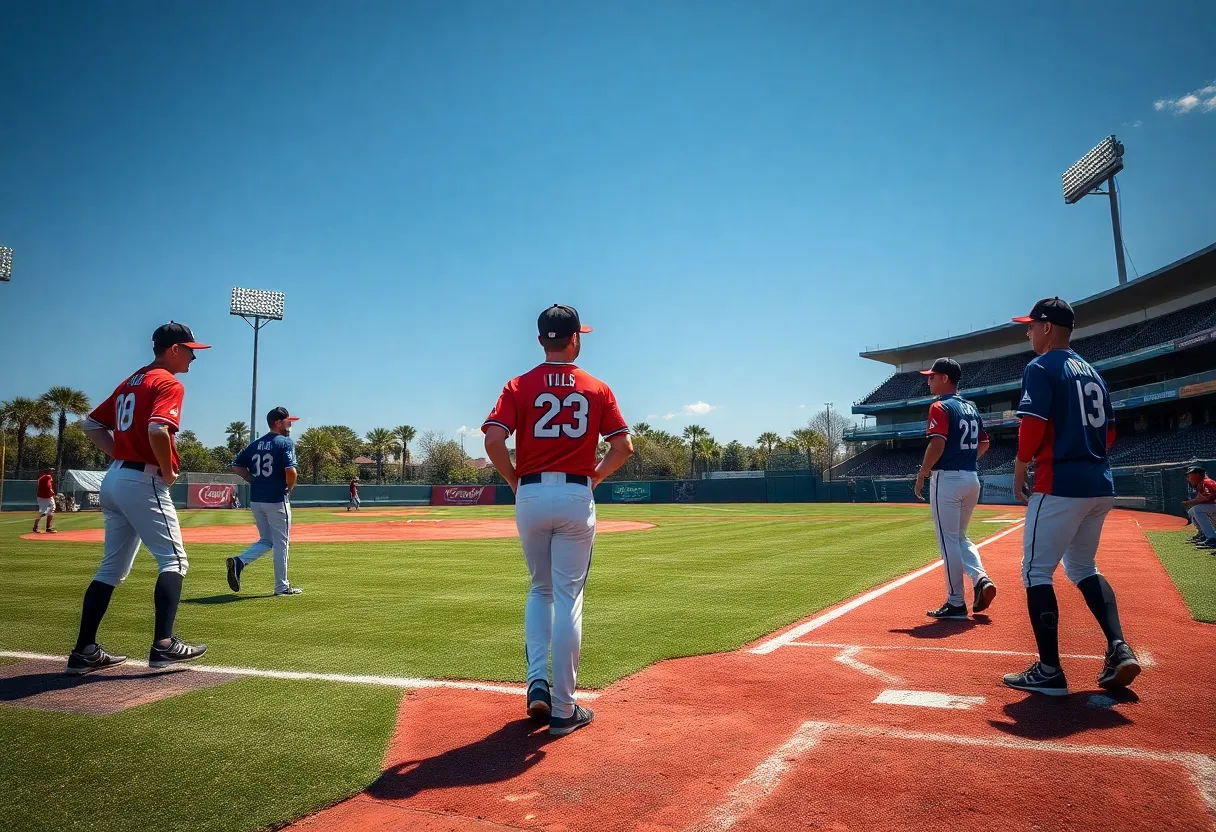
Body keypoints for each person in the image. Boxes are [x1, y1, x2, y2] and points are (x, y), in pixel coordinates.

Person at [482, 304, 634, 736]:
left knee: (541, 589)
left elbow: (494, 439)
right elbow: (623, 446)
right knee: (568, 596)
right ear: (575, 340)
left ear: (540, 340)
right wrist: (595, 478)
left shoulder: (518, 385)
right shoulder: (596, 387)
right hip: (574, 493)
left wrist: (514, 480)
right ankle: (565, 709)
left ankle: (536, 683)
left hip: (530, 492)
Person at [1003, 298, 1141, 696]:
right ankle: (1118, 646)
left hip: (1060, 482)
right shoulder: (1094, 373)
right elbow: (1110, 433)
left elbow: (1032, 424)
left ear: (1047, 327)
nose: (1027, 332)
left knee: (1035, 572)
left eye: (1031, 326)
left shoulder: (1041, 366)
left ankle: (1049, 671)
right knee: (1082, 566)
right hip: (1098, 482)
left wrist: (1019, 467)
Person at [65, 322, 210, 675]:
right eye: (190, 350)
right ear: (174, 349)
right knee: (175, 561)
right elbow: (158, 428)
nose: (194, 356)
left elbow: (90, 425)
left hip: (115, 478)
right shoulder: (168, 381)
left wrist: (120, 455)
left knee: (111, 569)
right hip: (143, 479)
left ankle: (84, 651)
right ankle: (164, 645)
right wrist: (167, 468)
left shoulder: (133, 379)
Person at [913, 358, 997, 619]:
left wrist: (922, 473)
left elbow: (937, 444)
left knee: (948, 541)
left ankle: (956, 601)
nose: (929, 380)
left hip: (947, 480)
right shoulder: (970, 407)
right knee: (960, 537)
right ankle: (980, 577)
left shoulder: (939, 406)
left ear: (945, 379)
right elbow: (984, 444)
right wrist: (966, 461)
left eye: (932, 376)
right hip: (971, 478)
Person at [226, 407, 302, 596]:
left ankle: (239, 562)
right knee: (281, 544)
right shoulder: (285, 442)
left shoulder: (255, 444)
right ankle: (282, 587)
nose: (290, 424)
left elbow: (236, 466)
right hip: (276, 499)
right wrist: (289, 489)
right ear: (277, 422)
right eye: (287, 420)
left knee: (267, 540)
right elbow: (291, 472)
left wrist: (253, 480)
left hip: (257, 500)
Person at [1182, 466, 1216, 549]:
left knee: (1197, 509)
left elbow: (1209, 497)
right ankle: (1204, 534)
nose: (1188, 478)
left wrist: (1192, 502)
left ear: (1197, 475)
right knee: (1192, 511)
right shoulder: (1201, 484)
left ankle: (1212, 538)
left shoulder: (1207, 482)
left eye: (1190, 475)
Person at [33, 467, 57, 534]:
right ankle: (37, 526)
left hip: (44, 497)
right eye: (51, 471)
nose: (52, 472)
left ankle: (47, 527)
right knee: (43, 512)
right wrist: (52, 491)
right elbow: (48, 486)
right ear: (48, 472)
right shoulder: (47, 477)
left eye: (53, 471)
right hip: (45, 497)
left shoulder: (42, 477)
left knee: (50, 509)